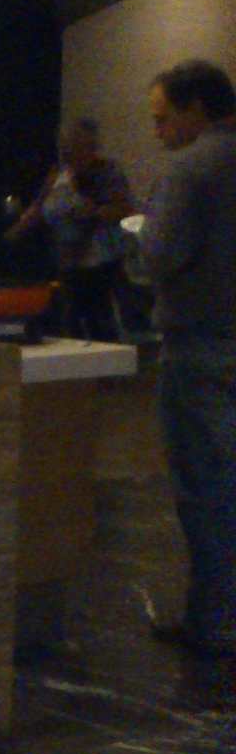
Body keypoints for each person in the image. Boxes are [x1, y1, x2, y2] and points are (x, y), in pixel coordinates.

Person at [140, 60, 236, 659]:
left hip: (200, 344)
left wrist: (141, 233)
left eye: (163, 118)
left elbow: (159, 255)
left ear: (196, 108)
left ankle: (214, 620)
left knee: (206, 484)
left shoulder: (192, 168)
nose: (159, 133)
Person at [3, 118, 134, 340]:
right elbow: (39, 207)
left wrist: (92, 212)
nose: (69, 153)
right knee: (70, 324)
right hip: (68, 262)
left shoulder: (108, 172)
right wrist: (12, 234)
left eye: (75, 147)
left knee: (101, 323)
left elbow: (122, 208)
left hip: (99, 264)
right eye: (65, 148)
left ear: (90, 147)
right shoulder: (59, 174)